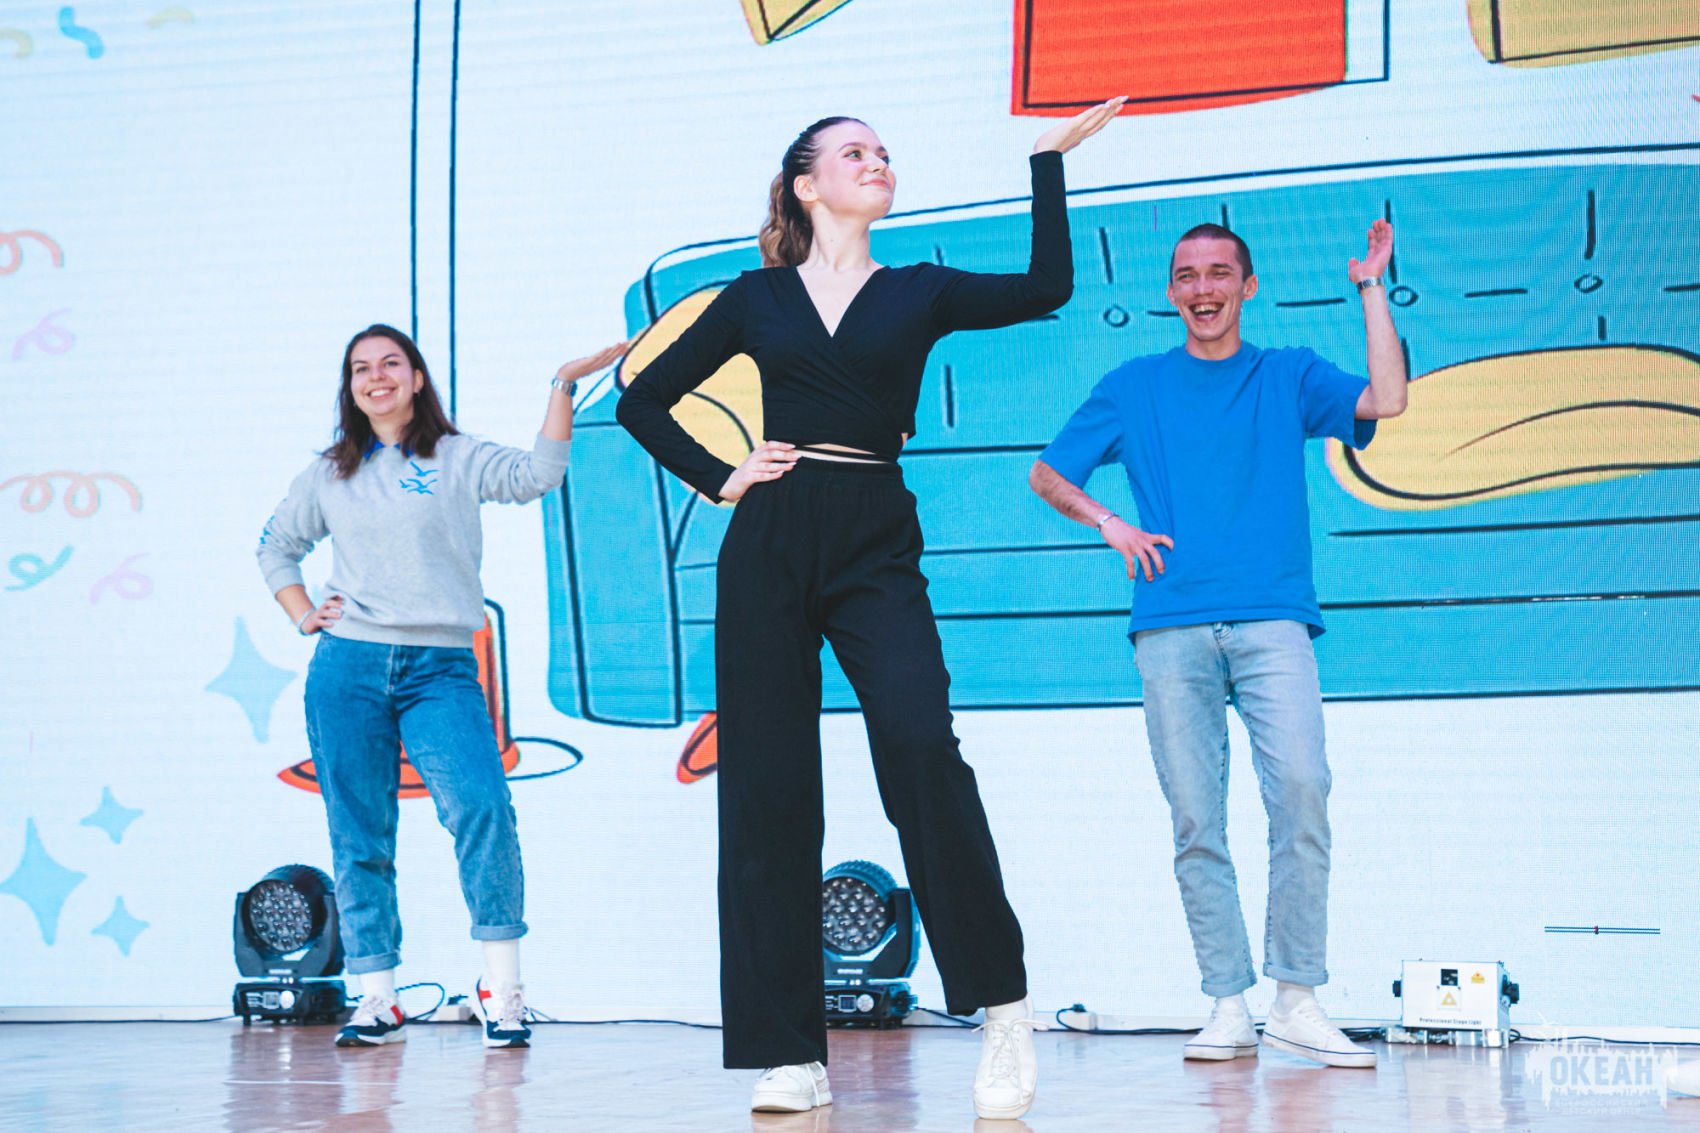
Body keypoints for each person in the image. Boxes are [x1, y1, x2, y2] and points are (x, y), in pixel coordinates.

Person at [615, 100, 1124, 1118]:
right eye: (855, 152)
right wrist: (721, 475)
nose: (877, 161)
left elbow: (1047, 287)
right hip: (771, 534)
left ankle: (1002, 1003)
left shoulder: (917, 289)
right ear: (808, 185)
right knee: (766, 787)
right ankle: (787, 1049)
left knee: (922, 747)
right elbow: (640, 397)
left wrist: (1045, 160)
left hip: (872, 527)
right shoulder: (755, 296)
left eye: (884, 152)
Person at [1029, 220, 1408, 1069]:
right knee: (1197, 819)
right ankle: (1228, 1004)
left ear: (1247, 286)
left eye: (1219, 273)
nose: (1203, 289)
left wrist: (1371, 288)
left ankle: (1296, 999)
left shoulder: (1288, 374)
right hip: (1170, 625)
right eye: (1188, 276)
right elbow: (1048, 472)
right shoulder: (1134, 385)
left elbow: (1387, 400)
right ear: (1172, 292)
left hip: (1273, 618)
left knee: (1302, 791)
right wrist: (1110, 522)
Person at [256, 324, 623, 1050]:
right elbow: (276, 547)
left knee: (482, 808)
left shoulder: (457, 456)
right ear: (350, 387)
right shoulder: (328, 472)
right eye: (361, 368)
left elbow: (539, 475)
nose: (377, 377)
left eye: (391, 363)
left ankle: (501, 989)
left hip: (441, 667)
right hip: (349, 667)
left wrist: (563, 385)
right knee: (359, 830)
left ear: (417, 377)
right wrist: (303, 614)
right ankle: (378, 996)